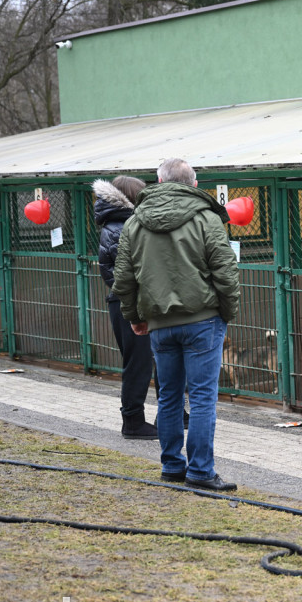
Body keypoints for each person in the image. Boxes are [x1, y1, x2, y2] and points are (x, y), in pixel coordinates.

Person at [112, 158, 240, 491]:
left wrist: (135, 317)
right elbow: (225, 271)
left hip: (160, 324)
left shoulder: (135, 222)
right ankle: (201, 471)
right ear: (194, 184)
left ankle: (171, 466)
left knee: (168, 396)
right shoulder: (207, 218)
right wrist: (227, 311)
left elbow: (123, 278)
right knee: (201, 398)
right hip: (203, 320)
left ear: (158, 181)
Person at [94, 175, 158, 440]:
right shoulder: (122, 227)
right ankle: (132, 421)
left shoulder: (122, 224)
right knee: (138, 363)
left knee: (157, 358)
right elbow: (118, 273)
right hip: (128, 303)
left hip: (133, 300)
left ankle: (172, 412)